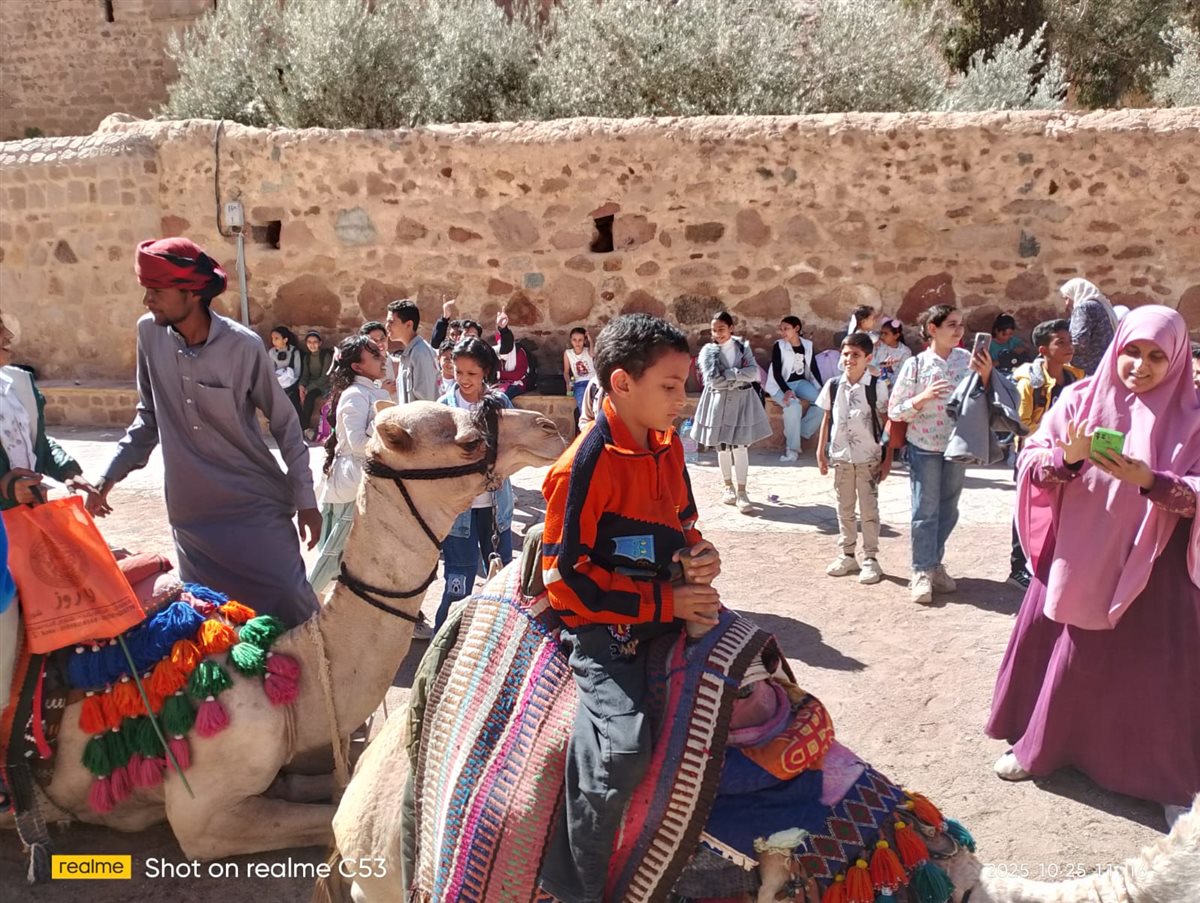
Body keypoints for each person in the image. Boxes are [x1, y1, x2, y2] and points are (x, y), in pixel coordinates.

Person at [987, 305, 1200, 830]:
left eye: (1155, 356)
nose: (1140, 366)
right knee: (1067, 654)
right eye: (1131, 352)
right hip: (1078, 558)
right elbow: (1031, 459)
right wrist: (1068, 458)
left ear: (1175, 359)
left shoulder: (1195, 420)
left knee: (1156, 672)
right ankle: (1040, 748)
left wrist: (1154, 481)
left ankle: (1167, 780)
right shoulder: (1079, 399)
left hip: (1155, 566)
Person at [538, 313, 721, 903]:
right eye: (669, 387)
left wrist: (699, 553)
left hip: (667, 602)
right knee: (618, 754)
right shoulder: (583, 467)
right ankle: (572, 886)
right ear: (621, 384)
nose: (682, 400)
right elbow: (565, 577)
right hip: (605, 628)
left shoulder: (667, 447)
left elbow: (684, 520)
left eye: (684, 385)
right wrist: (666, 598)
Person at [86, 238, 322, 627]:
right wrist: (106, 477)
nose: (147, 301)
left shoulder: (243, 347)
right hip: (194, 520)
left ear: (192, 293)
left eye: (156, 291)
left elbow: (285, 425)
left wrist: (306, 498)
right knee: (214, 628)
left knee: (293, 607)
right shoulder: (148, 334)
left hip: (255, 506)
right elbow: (148, 418)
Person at [887, 304, 993, 604]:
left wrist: (986, 376)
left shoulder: (967, 361)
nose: (959, 331)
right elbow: (896, 410)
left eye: (961, 325)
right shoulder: (916, 365)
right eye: (951, 325)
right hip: (925, 446)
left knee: (949, 509)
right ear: (932, 329)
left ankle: (933, 563)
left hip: (957, 445)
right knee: (925, 510)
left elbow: (983, 400)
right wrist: (923, 397)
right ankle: (921, 570)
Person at [434, 337, 516, 629]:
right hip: (459, 514)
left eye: (471, 373)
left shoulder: (499, 404)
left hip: (495, 509)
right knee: (459, 583)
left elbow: (512, 448)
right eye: (458, 372)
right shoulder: (444, 408)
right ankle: (443, 648)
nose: (464, 380)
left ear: (485, 372)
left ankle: (500, 643)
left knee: (504, 582)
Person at [307, 335, 392, 597]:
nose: (383, 359)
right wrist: (381, 413)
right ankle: (303, 605)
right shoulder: (356, 394)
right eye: (375, 356)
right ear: (357, 367)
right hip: (352, 483)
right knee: (334, 556)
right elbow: (357, 443)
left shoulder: (371, 391)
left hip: (365, 480)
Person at [1006, 319, 1084, 589]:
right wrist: (1047, 441)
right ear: (1043, 349)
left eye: (1070, 341)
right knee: (1027, 509)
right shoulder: (1029, 383)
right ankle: (1018, 567)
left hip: (1067, 456)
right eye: (1060, 342)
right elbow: (1021, 424)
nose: (1068, 347)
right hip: (1036, 457)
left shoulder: (1076, 377)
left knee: (1062, 510)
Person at [816, 333, 892, 585]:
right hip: (841, 456)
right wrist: (821, 450)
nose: (849, 359)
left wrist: (887, 456)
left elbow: (885, 420)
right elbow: (828, 418)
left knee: (869, 509)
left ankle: (871, 558)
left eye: (856, 355)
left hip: (868, 457)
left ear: (868, 358)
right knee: (844, 508)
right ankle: (847, 554)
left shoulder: (875, 386)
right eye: (846, 354)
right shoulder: (834, 385)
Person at [690, 311, 772, 513]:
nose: (718, 334)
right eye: (714, 330)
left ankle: (743, 491)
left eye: (721, 329)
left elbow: (753, 373)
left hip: (742, 402)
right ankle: (728, 486)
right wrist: (738, 376)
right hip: (719, 402)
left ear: (731, 328)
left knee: (741, 446)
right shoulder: (708, 352)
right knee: (723, 447)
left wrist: (730, 374)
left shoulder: (742, 348)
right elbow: (714, 380)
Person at [764, 315, 822, 463]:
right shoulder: (779, 345)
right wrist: (786, 391)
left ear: (796, 329)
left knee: (822, 403)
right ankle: (792, 448)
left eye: (786, 329)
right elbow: (777, 373)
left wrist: (822, 388)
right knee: (793, 406)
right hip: (779, 385)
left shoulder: (807, 345)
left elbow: (813, 367)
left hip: (800, 383)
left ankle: (798, 431)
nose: (783, 332)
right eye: (781, 329)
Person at [1061, 277, 1117, 376]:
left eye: (1067, 298)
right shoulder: (1099, 306)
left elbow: (1079, 341)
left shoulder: (1083, 308)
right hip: (1104, 365)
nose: (1066, 303)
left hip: (1088, 370)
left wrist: (1058, 351)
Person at [386, 298, 438, 404]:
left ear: (408, 324)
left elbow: (426, 401)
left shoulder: (420, 353)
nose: (387, 326)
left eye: (391, 322)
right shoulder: (410, 353)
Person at [298, 330, 333, 439]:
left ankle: (304, 427)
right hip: (311, 384)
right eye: (309, 342)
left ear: (320, 343)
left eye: (315, 342)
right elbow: (305, 375)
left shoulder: (325, 356)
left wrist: (308, 389)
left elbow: (325, 377)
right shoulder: (307, 357)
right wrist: (301, 386)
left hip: (323, 385)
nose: (312, 345)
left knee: (309, 398)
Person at [493, 312, 532, 399]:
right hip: (500, 383)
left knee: (502, 398)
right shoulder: (496, 352)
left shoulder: (519, 351)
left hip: (517, 383)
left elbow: (518, 374)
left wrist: (499, 375)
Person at [269, 325, 303, 421]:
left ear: (285, 340)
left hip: (292, 383)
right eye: (272, 339)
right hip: (278, 382)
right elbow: (271, 370)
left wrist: (289, 381)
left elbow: (297, 371)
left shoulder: (294, 352)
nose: (274, 341)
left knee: (293, 400)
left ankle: (301, 425)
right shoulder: (272, 352)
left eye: (277, 338)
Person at [562, 326, 595, 421]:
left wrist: (590, 340)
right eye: (574, 340)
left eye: (580, 340)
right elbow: (566, 372)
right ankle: (586, 427)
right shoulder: (568, 353)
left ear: (584, 341)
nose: (577, 343)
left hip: (592, 381)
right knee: (582, 404)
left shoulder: (588, 351)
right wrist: (568, 383)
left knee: (595, 404)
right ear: (571, 340)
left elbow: (593, 354)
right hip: (579, 383)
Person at [872, 316, 913, 387]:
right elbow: (871, 364)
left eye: (886, 334)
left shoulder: (904, 352)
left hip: (892, 387)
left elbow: (902, 375)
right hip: (874, 383)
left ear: (896, 336)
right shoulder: (878, 345)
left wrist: (889, 369)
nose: (882, 336)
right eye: (881, 333)